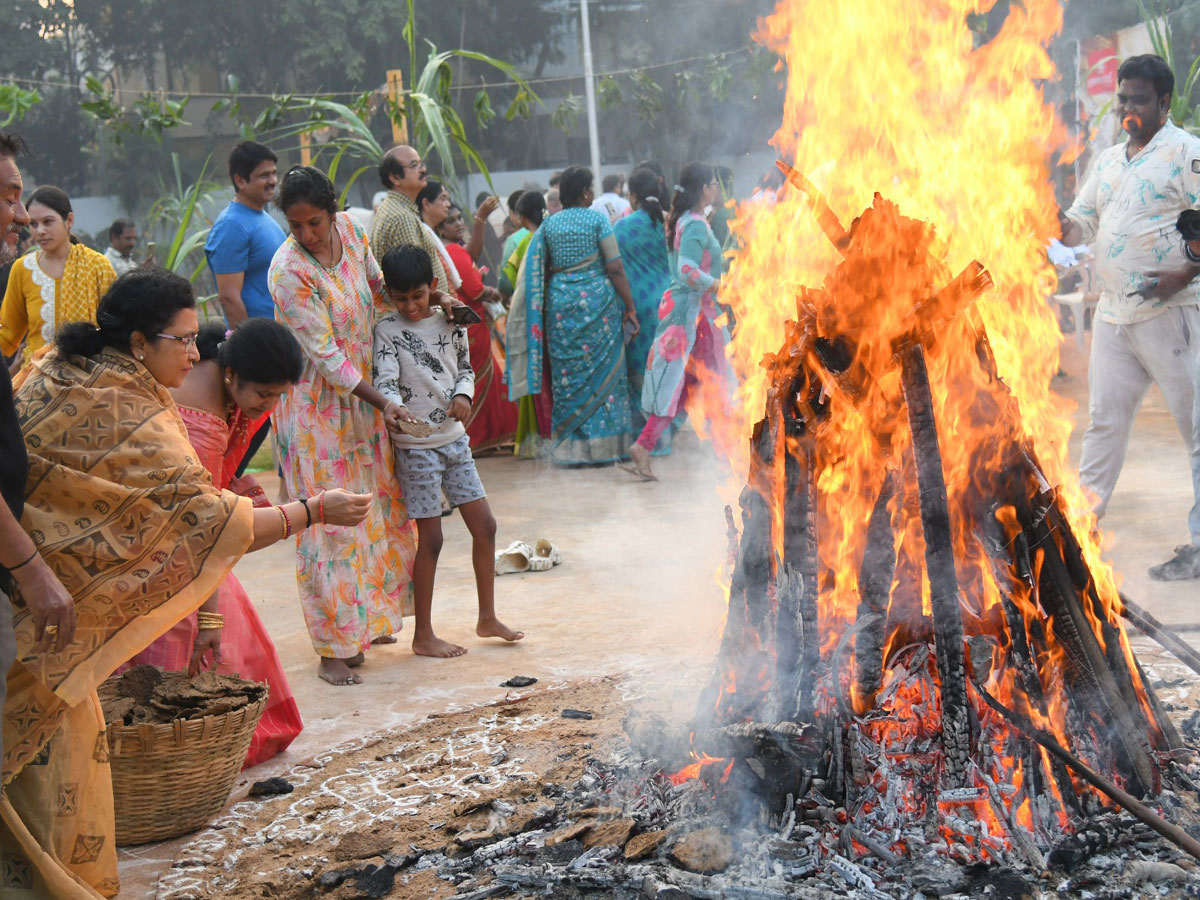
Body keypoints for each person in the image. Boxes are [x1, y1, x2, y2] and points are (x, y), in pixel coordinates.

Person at [2, 267, 370, 899]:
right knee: (41, 755)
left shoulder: (71, 370)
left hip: (46, 591)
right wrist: (312, 511)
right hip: (37, 597)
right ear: (141, 343)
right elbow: (207, 524)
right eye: (185, 340)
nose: (197, 351)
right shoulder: (138, 414)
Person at [124, 318, 306, 768]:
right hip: (167, 551)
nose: (270, 405)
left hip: (184, 529)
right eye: (264, 395)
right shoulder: (201, 424)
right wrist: (209, 616)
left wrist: (232, 488)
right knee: (195, 644)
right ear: (231, 376)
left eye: (279, 396)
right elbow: (202, 535)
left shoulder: (219, 374)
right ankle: (177, 754)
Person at [269, 165, 422, 687]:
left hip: (366, 401)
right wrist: (385, 401)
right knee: (327, 524)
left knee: (376, 511)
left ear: (332, 213)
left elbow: (379, 292)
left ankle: (367, 624)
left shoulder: (353, 234)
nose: (308, 235)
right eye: (297, 226)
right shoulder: (288, 270)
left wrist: (423, 312)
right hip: (316, 411)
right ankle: (331, 650)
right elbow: (327, 357)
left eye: (315, 222)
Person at [1062, 54, 1200, 581]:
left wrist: (1180, 277)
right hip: (1116, 319)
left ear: (1164, 103)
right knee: (1103, 424)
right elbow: (1082, 224)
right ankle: (1081, 528)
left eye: (1138, 99)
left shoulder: (1187, 155)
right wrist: (1054, 223)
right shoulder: (1110, 161)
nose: (1126, 108)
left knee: (1196, 431)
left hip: (1171, 316)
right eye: (1122, 98)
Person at [373, 245, 523, 657]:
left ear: (432, 288)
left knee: (486, 526)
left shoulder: (452, 323)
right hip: (416, 445)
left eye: (418, 296)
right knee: (432, 539)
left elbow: (466, 368)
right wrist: (392, 406)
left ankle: (487, 617)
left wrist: (462, 395)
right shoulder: (387, 330)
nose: (411, 306)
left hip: (454, 438)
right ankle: (423, 635)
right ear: (389, 295)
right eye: (401, 298)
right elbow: (384, 378)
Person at [0, 132, 74, 826]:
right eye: (8, 197)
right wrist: (30, 568)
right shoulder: (19, 278)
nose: (19, 216)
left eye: (22, 197)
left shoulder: (94, 267)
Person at [508, 164, 640, 465]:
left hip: (560, 307)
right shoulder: (597, 220)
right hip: (598, 305)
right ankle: (608, 448)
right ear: (583, 192)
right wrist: (630, 306)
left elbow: (538, 272)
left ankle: (573, 451)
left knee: (568, 377)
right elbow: (615, 266)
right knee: (605, 374)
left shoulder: (549, 226)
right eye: (589, 188)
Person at [628, 163, 731, 481]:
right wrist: (718, 285)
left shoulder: (684, 220)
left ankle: (645, 445)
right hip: (695, 316)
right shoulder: (696, 224)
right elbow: (687, 268)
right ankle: (726, 456)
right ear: (704, 189)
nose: (716, 188)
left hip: (686, 311)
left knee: (686, 384)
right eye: (713, 183)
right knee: (712, 380)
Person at [436, 200, 520, 451]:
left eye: (460, 218)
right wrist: (492, 291)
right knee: (478, 378)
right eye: (451, 220)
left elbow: (471, 256)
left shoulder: (448, 250)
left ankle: (485, 436)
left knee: (484, 377)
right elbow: (474, 289)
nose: (459, 223)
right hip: (471, 325)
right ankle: (476, 437)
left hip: (466, 323)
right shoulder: (454, 252)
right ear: (440, 227)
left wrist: (481, 220)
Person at [0, 186, 116, 367]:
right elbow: (7, 334)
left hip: (89, 381)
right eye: (33, 224)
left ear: (69, 220)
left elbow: (116, 329)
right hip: (36, 382)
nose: (40, 231)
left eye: (48, 222)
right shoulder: (23, 269)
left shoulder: (98, 266)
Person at [614, 167, 671, 435]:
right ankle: (664, 435)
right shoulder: (670, 224)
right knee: (665, 371)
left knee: (639, 374)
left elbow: (612, 268)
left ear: (633, 195)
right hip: (668, 306)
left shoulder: (621, 227)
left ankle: (644, 438)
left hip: (635, 309)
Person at [205, 141, 286, 329]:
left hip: (281, 339)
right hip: (260, 343)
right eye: (264, 175)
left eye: (274, 173)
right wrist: (247, 347)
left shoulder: (263, 217)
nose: (273, 180)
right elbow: (229, 298)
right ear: (240, 180)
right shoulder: (231, 225)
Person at [371, 145, 449, 289]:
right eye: (414, 165)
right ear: (395, 177)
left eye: (421, 164)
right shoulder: (401, 218)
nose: (423, 169)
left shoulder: (397, 208)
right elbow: (415, 281)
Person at [497, 189, 528, 300]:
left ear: (515, 214)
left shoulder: (513, 240)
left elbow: (506, 282)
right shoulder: (547, 231)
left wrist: (503, 294)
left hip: (523, 298)